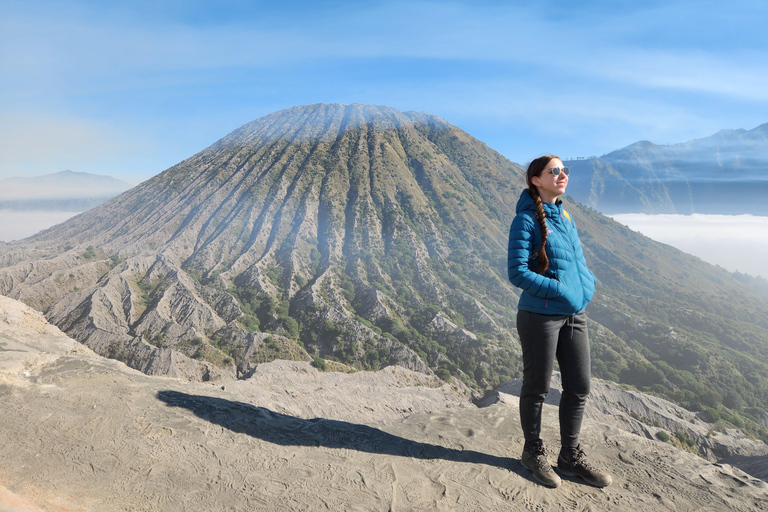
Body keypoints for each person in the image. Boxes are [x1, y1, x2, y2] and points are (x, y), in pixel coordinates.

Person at [507, 154, 612, 488]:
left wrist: (585, 286)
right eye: (555, 170)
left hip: (574, 315)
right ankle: (532, 452)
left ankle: (569, 457)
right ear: (536, 180)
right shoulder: (525, 221)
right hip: (540, 316)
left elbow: (578, 260)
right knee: (537, 387)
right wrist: (559, 290)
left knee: (579, 387)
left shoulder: (565, 216)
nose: (562, 174)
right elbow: (517, 272)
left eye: (564, 170)